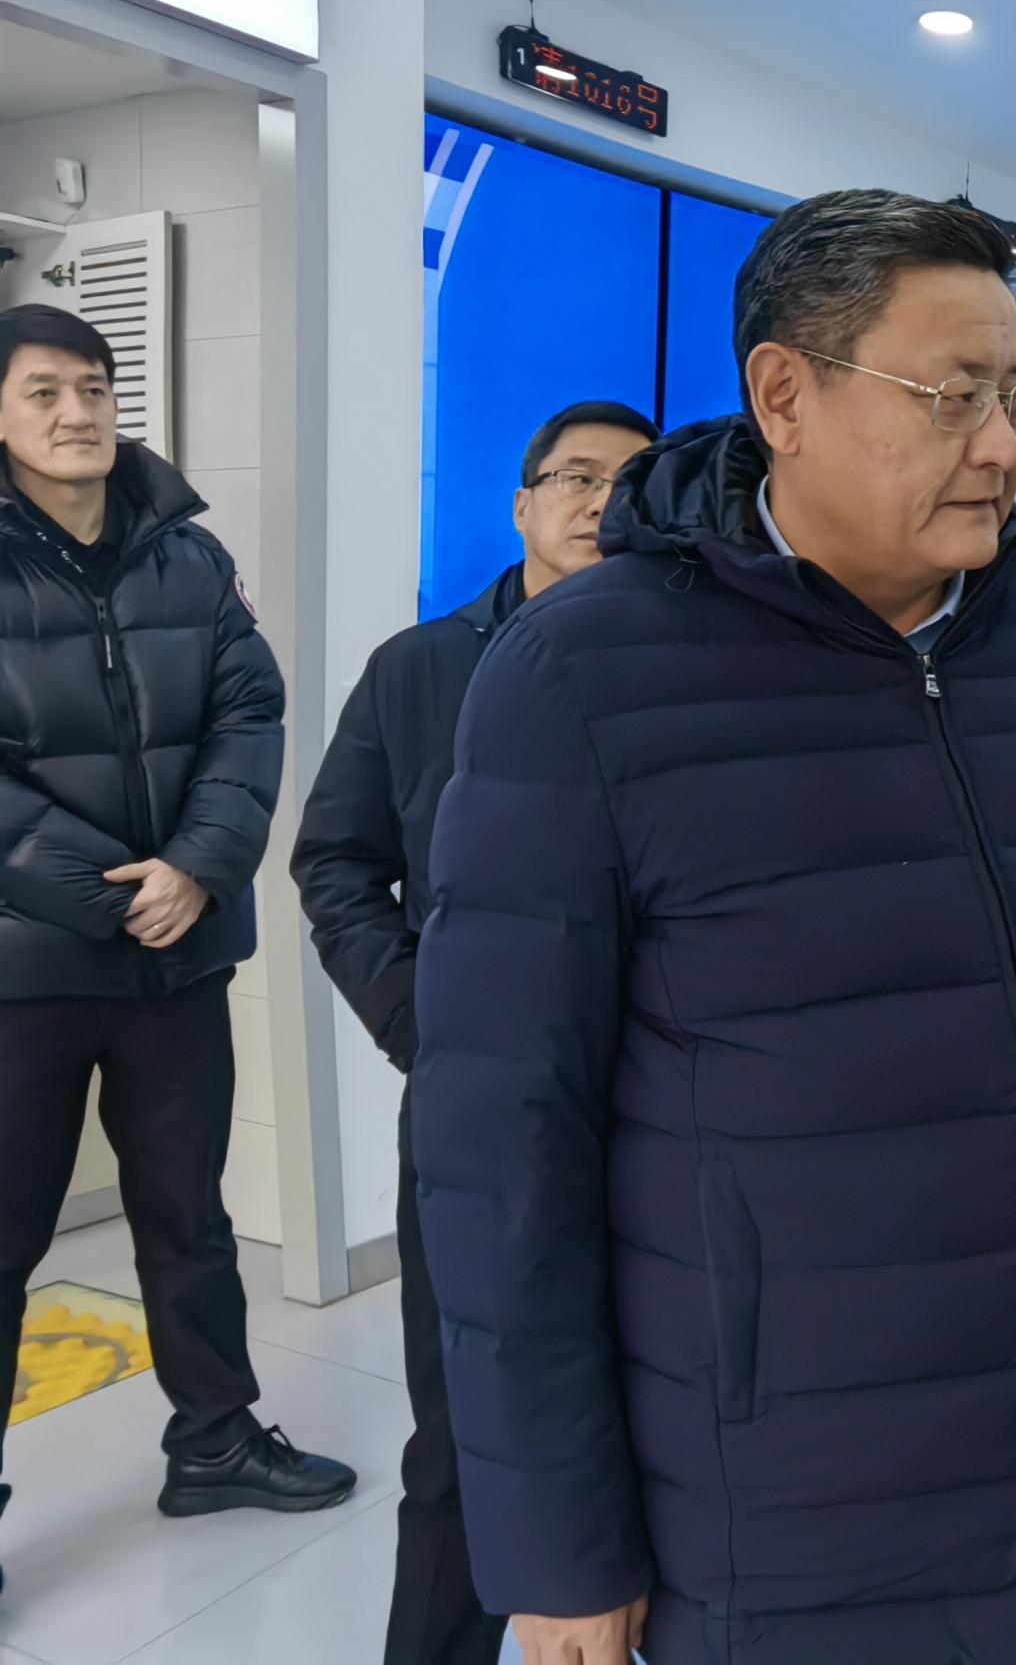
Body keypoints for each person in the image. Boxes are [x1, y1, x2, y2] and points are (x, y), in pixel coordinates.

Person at [411, 190, 1016, 1665]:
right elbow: (501, 1145)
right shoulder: (583, 677)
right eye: (953, 396)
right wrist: (560, 1543)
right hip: (785, 1504)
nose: (1001, 447)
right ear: (784, 396)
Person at [291, 398, 658, 1665]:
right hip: (477, 1121)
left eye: (632, 483)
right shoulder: (420, 669)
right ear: (520, 504)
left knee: (672, 1425)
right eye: (576, 476)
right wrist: (423, 1022)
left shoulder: (692, 669)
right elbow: (335, 861)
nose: (601, 502)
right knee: (467, 1438)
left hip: (665, 1110)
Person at [0, 303, 355, 1596]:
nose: (77, 412)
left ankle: (214, 1440)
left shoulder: (187, 554)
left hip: (178, 959)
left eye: (94, 387)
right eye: (44, 391)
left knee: (188, 1219)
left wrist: (200, 866)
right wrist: (106, 893)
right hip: (25, 970)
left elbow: (250, 713)